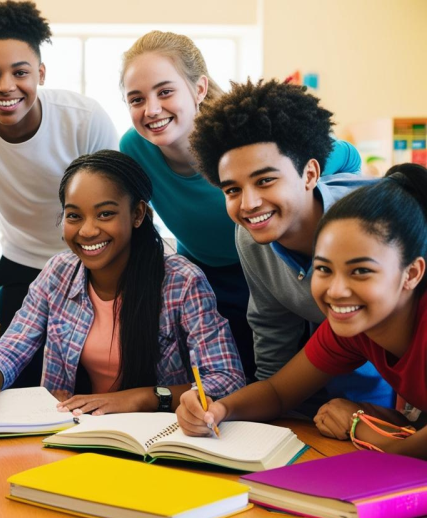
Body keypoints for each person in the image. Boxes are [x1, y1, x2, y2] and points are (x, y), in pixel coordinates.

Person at [119, 31, 363, 382]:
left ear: (199, 89)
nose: (151, 109)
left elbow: (347, 156)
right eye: (136, 99)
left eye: (165, 91)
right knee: (229, 381)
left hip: (272, 265)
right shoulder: (134, 148)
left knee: (303, 377)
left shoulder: (241, 139)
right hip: (208, 277)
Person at [0, 150, 245, 416]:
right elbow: (11, 348)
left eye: (105, 214)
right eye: (74, 216)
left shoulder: (182, 281)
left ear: (137, 214)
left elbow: (226, 379)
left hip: (161, 438)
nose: (88, 230)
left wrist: (139, 398)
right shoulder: (57, 273)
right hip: (74, 431)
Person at [178, 163, 427, 459]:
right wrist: (220, 409)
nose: (336, 290)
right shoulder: (353, 328)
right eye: (323, 269)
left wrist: (365, 430)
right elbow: (278, 392)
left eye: (360, 271)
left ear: (411, 273)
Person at [0, 0, 118, 384]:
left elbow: (117, 212)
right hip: (23, 269)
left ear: (40, 72)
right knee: (20, 385)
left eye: (20, 72)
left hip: (98, 265)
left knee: (93, 383)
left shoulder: (84, 118)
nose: (6, 86)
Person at [188, 78, 393, 409]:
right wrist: (253, 411)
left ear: (310, 175)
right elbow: (272, 328)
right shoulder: (251, 237)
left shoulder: (371, 219)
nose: (249, 203)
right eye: (232, 190)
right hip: (332, 364)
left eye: (265, 180)